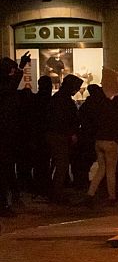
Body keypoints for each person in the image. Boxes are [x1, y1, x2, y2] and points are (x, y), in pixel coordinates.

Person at [46, 73, 82, 204]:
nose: (77, 90)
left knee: (58, 164)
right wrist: (71, 132)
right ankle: (57, 193)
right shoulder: (64, 100)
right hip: (60, 135)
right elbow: (64, 119)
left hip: (55, 134)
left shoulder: (58, 98)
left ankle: (54, 190)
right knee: (62, 164)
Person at [0, 55, 29, 216]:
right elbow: (11, 86)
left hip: (8, 133)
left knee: (7, 169)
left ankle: (7, 201)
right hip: (5, 133)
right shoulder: (5, 87)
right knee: (5, 169)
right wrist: (20, 68)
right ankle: (4, 204)